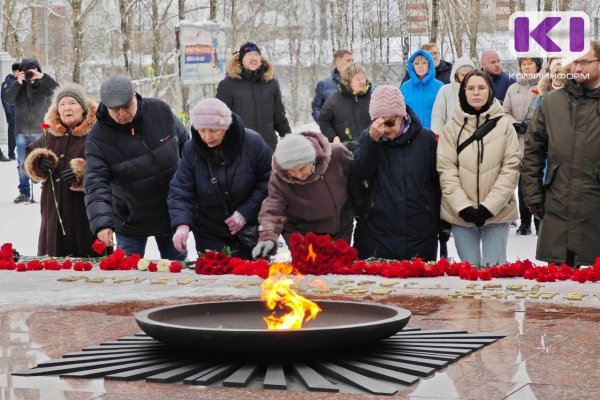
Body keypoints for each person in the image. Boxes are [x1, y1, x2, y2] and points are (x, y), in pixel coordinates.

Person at [84, 75, 189, 260]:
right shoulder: (97, 138)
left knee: (178, 271)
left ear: (135, 97)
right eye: (115, 110)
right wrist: (102, 223)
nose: (122, 114)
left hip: (170, 212)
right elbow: (96, 183)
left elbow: (187, 148)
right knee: (128, 276)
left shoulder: (160, 111)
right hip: (130, 219)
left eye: (127, 106)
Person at [521, 42, 600, 267]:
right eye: (575, 61)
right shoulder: (552, 102)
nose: (579, 66)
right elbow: (533, 152)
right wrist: (533, 194)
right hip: (558, 207)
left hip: (595, 211)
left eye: (586, 61)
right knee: (557, 294)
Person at [168, 98, 272, 260]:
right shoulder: (191, 149)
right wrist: (182, 224)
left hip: (249, 233)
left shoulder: (253, 143)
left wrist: (245, 212)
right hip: (210, 233)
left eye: (213, 131)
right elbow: (181, 189)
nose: (207, 137)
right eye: (202, 130)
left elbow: (269, 182)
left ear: (226, 126)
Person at [437, 70, 521, 266]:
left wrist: (489, 207)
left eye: (481, 88)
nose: (476, 93)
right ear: (463, 92)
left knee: (494, 271)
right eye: (471, 88)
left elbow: (511, 169)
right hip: (461, 215)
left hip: (497, 213)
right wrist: (463, 207)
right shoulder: (451, 128)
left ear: (490, 91)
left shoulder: (505, 126)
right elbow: (446, 169)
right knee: (469, 274)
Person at [351, 85, 440, 261]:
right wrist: (372, 141)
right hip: (376, 233)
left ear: (402, 115)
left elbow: (437, 183)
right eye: (379, 122)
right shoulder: (368, 139)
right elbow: (359, 173)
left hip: (419, 232)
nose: (385, 129)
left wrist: (439, 221)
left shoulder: (426, 139)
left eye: (390, 122)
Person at [22, 83, 97, 257]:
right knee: (53, 261)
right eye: (62, 104)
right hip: (53, 212)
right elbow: (28, 156)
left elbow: (109, 166)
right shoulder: (50, 134)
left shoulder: (95, 134)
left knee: (85, 261)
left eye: (72, 103)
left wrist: (83, 174)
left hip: (84, 212)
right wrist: (37, 163)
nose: (66, 108)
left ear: (83, 108)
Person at [252, 131, 353, 259]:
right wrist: (268, 236)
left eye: (302, 168)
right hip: (302, 233)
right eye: (292, 171)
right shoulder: (279, 178)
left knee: (341, 270)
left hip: (341, 226)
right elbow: (272, 208)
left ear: (313, 159)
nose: (298, 175)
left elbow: (356, 179)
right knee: (309, 274)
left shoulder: (337, 154)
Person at [3, 58, 59, 203]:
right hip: (21, 130)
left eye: (31, 70)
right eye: (25, 71)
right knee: (22, 162)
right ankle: (24, 192)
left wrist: (42, 77)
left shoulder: (42, 85)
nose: (28, 74)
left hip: (39, 130)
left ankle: (46, 190)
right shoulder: (18, 86)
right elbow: (8, 99)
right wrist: (17, 83)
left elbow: (58, 90)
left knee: (43, 161)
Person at [216, 42, 290, 150]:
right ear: (241, 59)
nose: (254, 58)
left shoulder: (271, 83)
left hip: (268, 148)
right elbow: (220, 120)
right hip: (240, 149)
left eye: (256, 54)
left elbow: (279, 116)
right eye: (249, 55)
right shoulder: (227, 85)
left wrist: (289, 138)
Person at [503, 57, 542, 236]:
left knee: (537, 181)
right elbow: (505, 112)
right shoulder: (513, 88)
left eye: (530, 63)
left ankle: (539, 220)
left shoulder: (543, 86)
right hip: (518, 141)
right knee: (522, 182)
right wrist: (514, 124)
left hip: (538, 140)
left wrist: (533, 126)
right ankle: (525, 222)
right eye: (524, 64)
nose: (526, 67)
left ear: (538, 66)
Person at [317, 63, 372, 148]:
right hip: (346, 151)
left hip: (371, 148)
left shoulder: (373, 98)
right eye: (358, 79)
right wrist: (333, 137)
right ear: (348, 82)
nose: (362, 81)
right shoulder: (334, 100)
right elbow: (323, 120)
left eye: (363, 78)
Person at [400, 49, 444, 129]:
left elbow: (445, 113)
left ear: (429, 64)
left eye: (424, 63)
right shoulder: (405, 87)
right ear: (412, 66)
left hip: (434, 134)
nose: (420, 66)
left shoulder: (440, 87)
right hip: (411, 135)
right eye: (416, 63)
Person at [431, 57, 476, 134]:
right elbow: (438, 116)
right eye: (463, 75)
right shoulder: (445, 90)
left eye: (470, 75)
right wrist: (438, 137)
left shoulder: (477, 90)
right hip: (451, 137)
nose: (467, 78)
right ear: (456, 75)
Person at [311, 49, 354, 122]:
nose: (352, 63)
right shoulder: (324, 84)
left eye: (352, 60)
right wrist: (325, 126)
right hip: (335, 131)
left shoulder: (361, 81)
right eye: (348, 60)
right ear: (337, 62)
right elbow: (316, 108)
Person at [1, 62, 20, 161]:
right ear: (15, 71)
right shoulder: (7, 83)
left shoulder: (21, 82)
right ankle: (11, 153)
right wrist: (8, 113)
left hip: (21, 113)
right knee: (12, 135)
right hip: (12, 113)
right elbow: (4, 98)